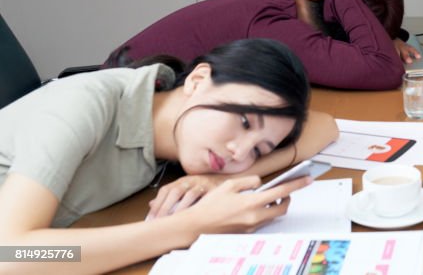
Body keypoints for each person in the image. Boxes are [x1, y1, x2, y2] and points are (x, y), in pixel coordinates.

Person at [0, 38, 339, 274]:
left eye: (258, 150)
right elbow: (12, 255)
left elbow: (324, 126)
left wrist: (213, 178)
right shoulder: (83, 106)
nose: (239, 152)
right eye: (245, 121)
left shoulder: (172, 124)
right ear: (198, 80)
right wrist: (190, 227)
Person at [104, 0, 419, 90]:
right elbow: (383, 69)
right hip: (121, 107)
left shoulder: (280, 1)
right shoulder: (280, 33)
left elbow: (370, 55)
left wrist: (380, 34)